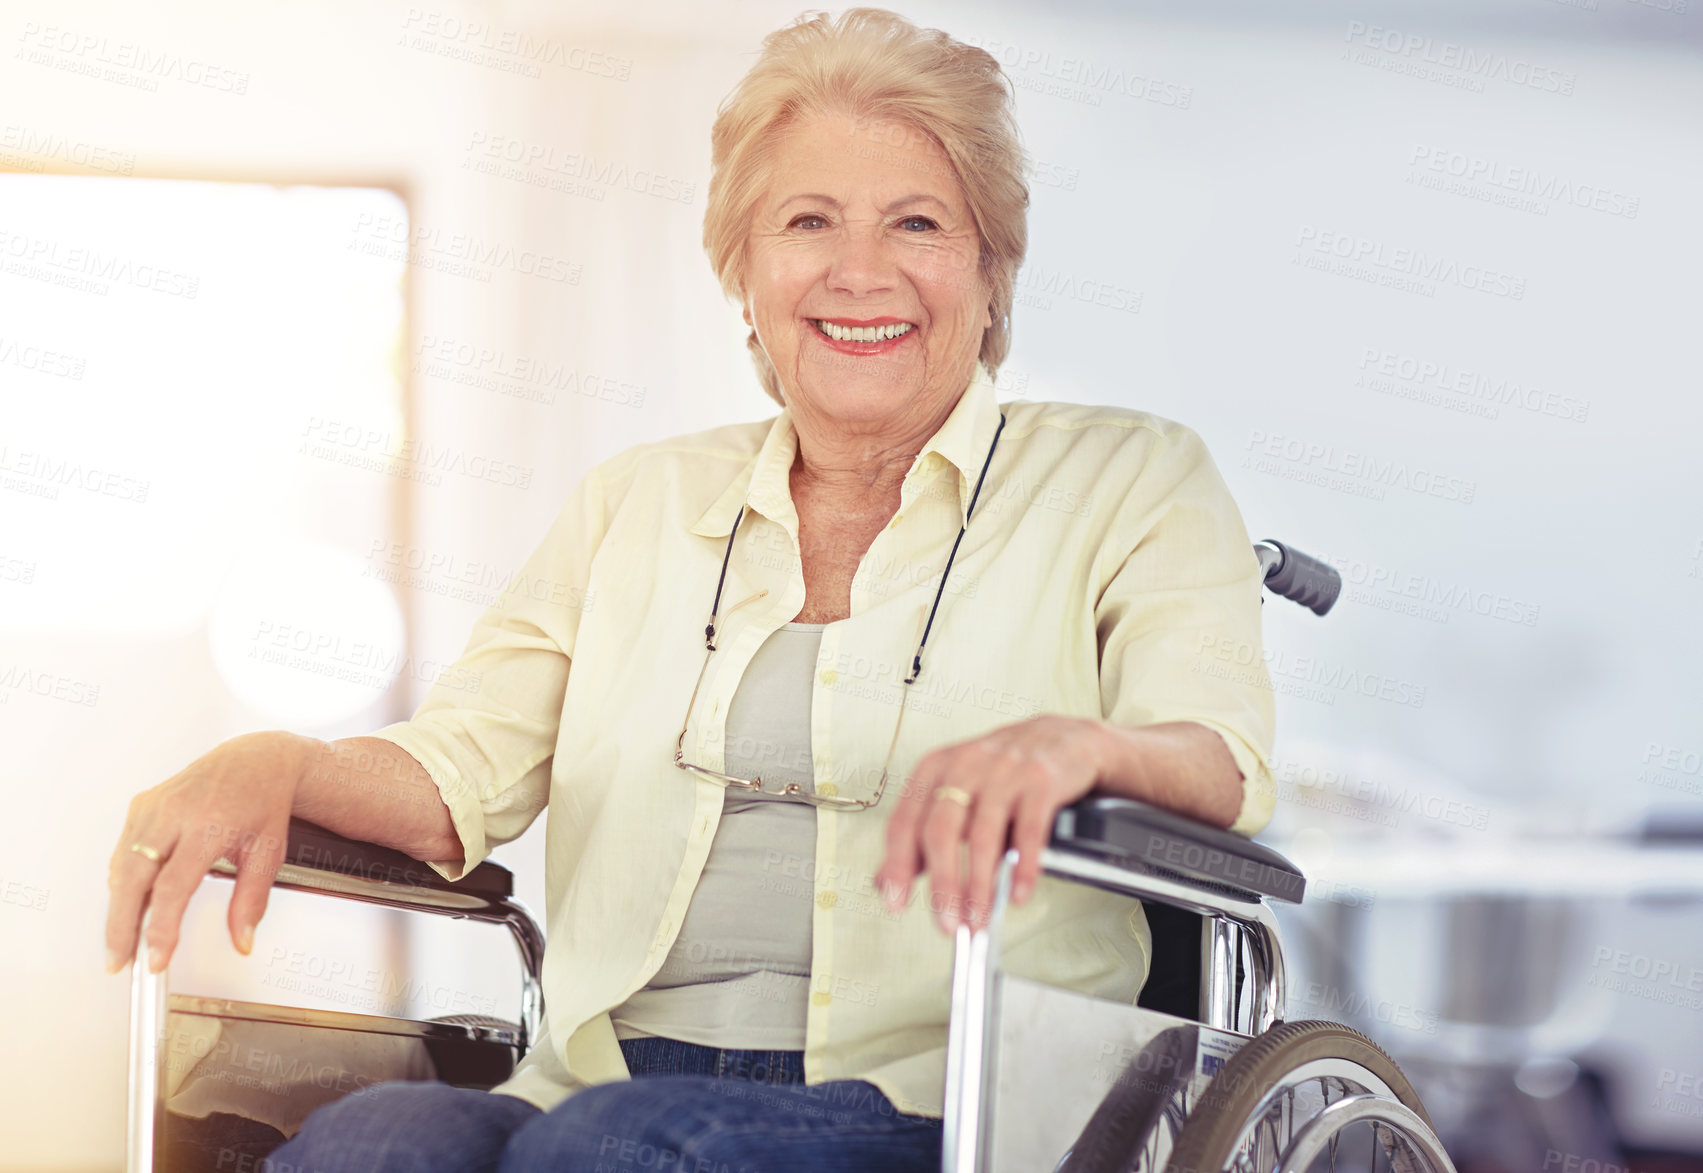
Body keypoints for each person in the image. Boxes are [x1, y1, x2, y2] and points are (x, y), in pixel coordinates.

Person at [105, 9, 1277, 1171]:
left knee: (628, 1152)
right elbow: (457, 773)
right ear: (744, 269)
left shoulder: (1129, 475)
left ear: (986, 267)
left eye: (916, 221)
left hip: (947, 1103)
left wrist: (1077, 748)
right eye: (805, 220)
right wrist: (277, 763)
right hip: (599, 1080)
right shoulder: (636, 504)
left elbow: (1216, 756)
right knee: (371, 1143)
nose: (858, 270)